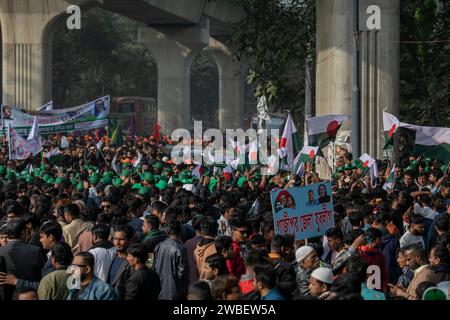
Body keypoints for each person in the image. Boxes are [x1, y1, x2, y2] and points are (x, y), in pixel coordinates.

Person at [0, 218, 45, 300]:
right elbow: (43, 281)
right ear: (23, 233)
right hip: (30, 296)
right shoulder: (35, 251)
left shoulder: (1, 251)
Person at [153, 219, 189, 300]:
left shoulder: (159, 246)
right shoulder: (180, 248)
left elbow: (154, 266)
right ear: (180, 232)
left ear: (167, 231)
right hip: (175, 290)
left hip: (160, 288)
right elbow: (182, 272)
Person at [108, 224, 135, 300]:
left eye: (121, 239)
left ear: (130, 240)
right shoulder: (113, 256)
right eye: (115, 239)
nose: (117, 243)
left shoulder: (132, 262)